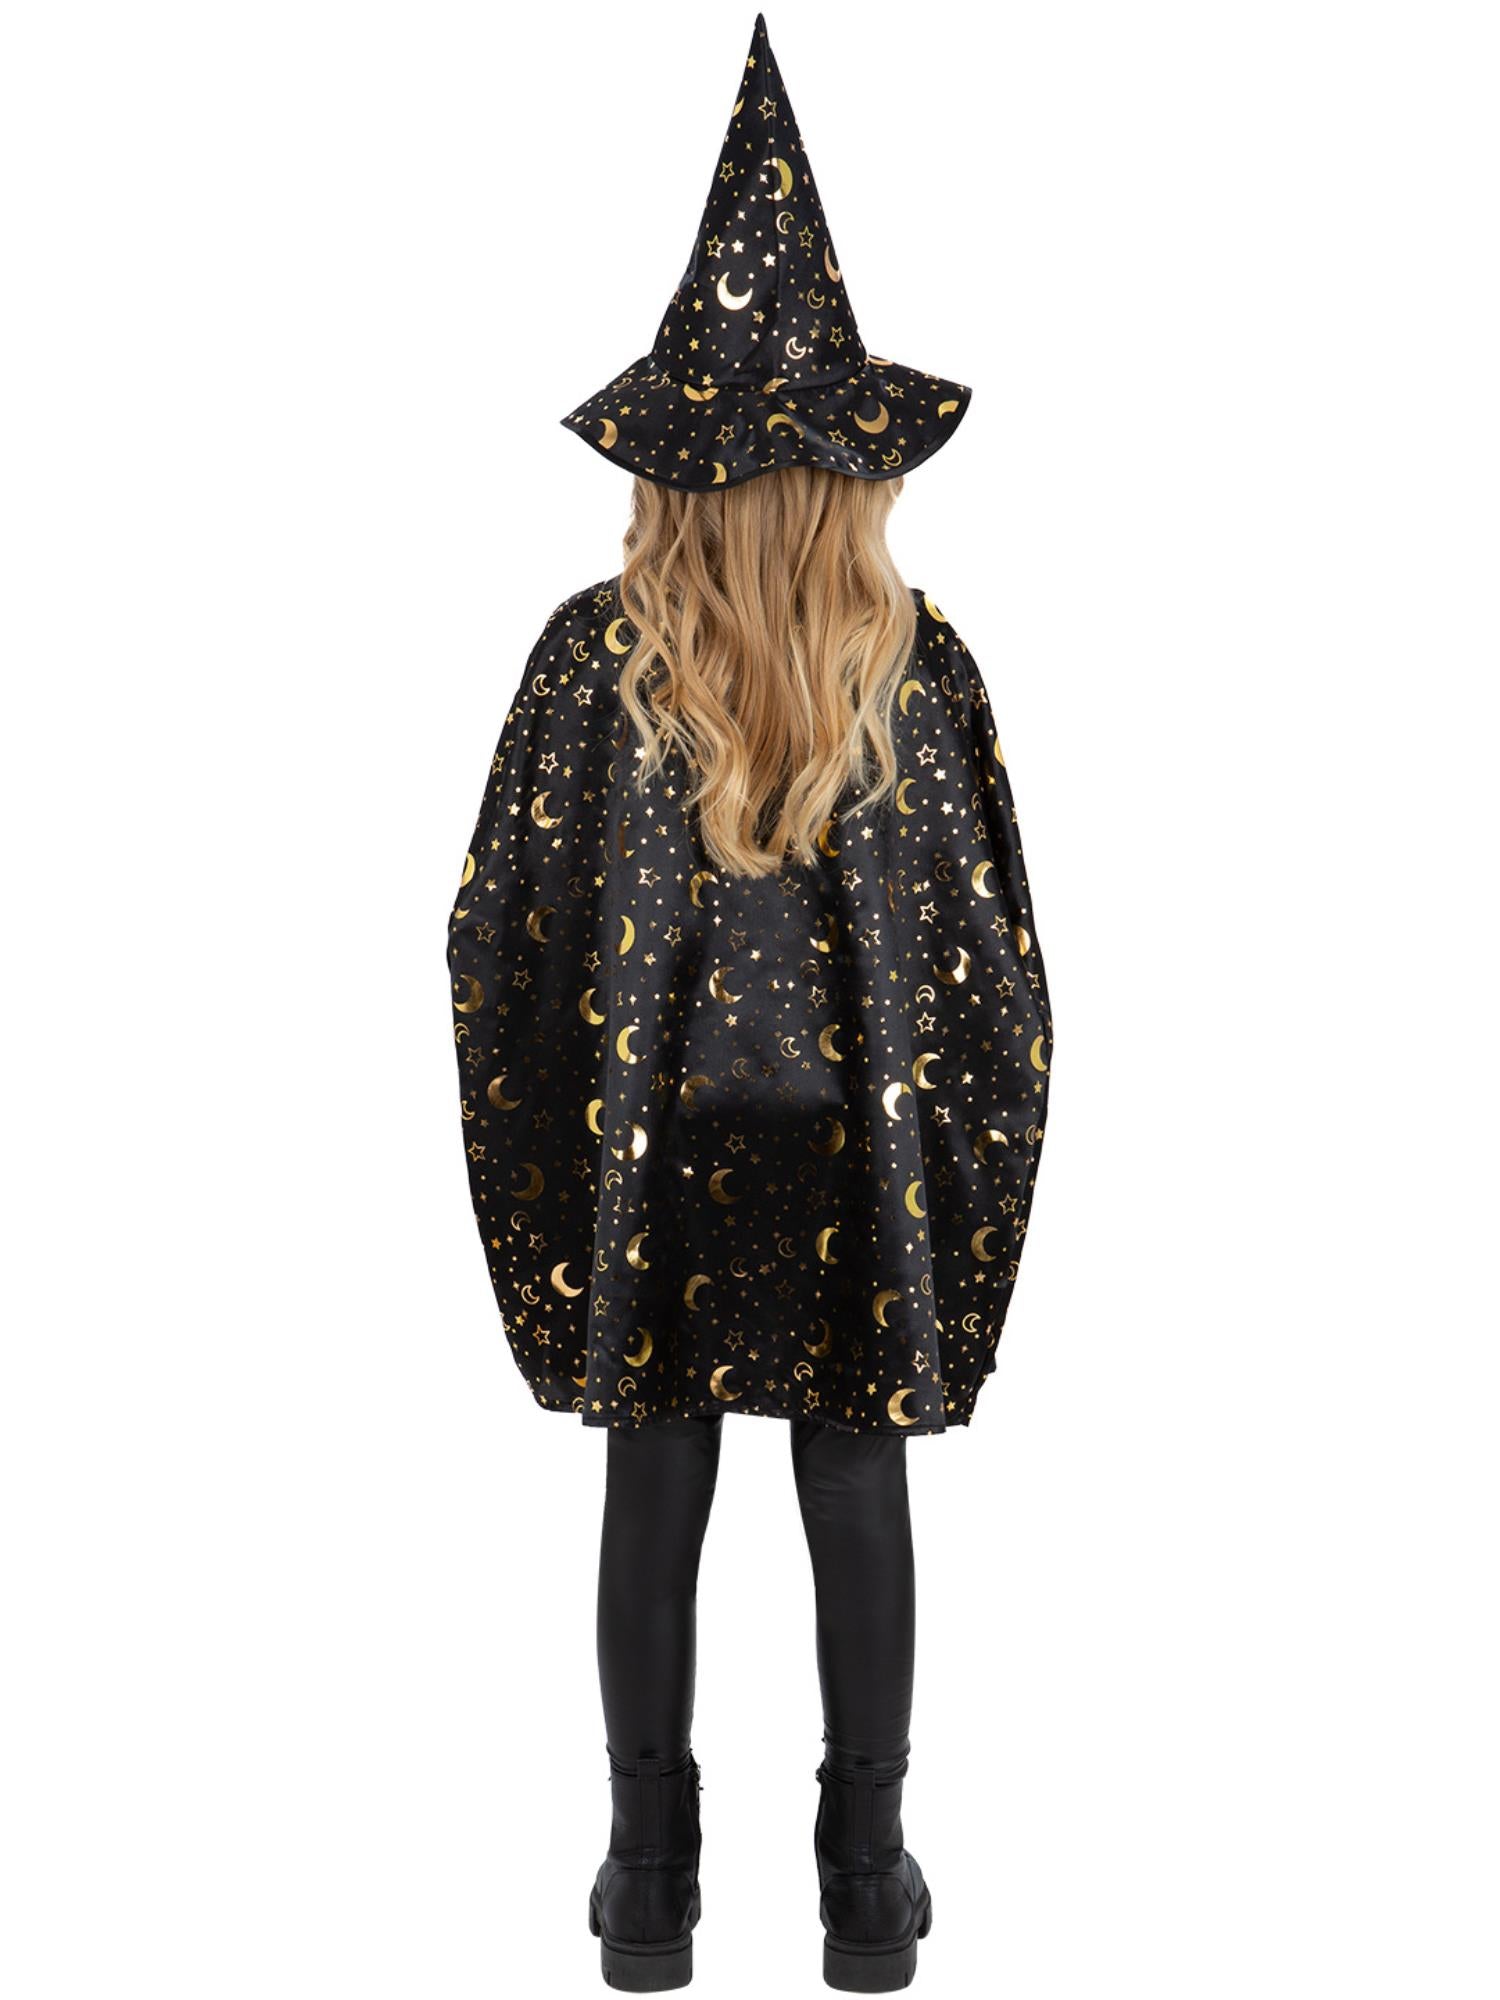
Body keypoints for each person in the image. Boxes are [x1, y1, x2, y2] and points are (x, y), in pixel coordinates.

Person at [445, 15, 1052, 1990]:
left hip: (656, 1144)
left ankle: (648, 1880)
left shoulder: (589, 658)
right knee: (853, 1467)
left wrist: (549, 1142)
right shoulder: (916, 665)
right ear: (850, 468)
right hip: (850, 1148)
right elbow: (996, 964)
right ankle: (866, 1878)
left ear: (674, 465)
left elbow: (499, 934)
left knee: (658, 1466)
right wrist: (964, 1169)